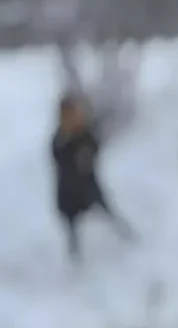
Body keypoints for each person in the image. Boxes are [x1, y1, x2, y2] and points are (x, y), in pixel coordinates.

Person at [51, 92, 133, 262]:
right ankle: (75, 260)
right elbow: (61, 163)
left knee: (108, 211)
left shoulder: (84, 134)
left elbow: (94, 148)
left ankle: (126, 238)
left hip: (88, 187)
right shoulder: (60, 140)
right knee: (72, 229)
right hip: (68, 193)